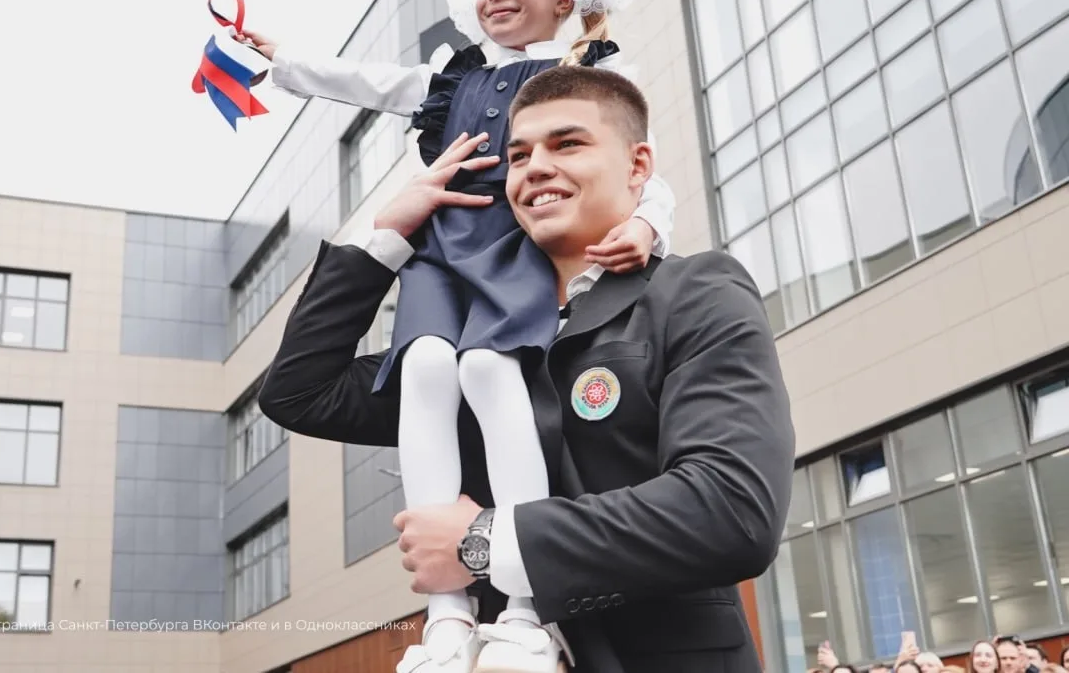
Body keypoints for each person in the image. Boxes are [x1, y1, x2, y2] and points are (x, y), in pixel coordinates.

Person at [241, 0, 677, 666]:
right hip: (442, 253)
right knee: (424, 368)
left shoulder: (593, 77)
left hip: (514, 250)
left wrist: (648, 225)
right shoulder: (453, 74)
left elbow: (644, 169)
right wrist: (283, 60)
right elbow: (366, 81)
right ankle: (445, 608)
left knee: (487, 368)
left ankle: (525, 601)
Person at [260, 65, 794, 673]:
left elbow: (732, 510)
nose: (535, 167)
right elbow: (300, 392)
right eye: (519, 155)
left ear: (638, 165)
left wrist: (484, 541)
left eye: (567, 144)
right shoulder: (465, 345)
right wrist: (385, 238)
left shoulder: (695, 292)